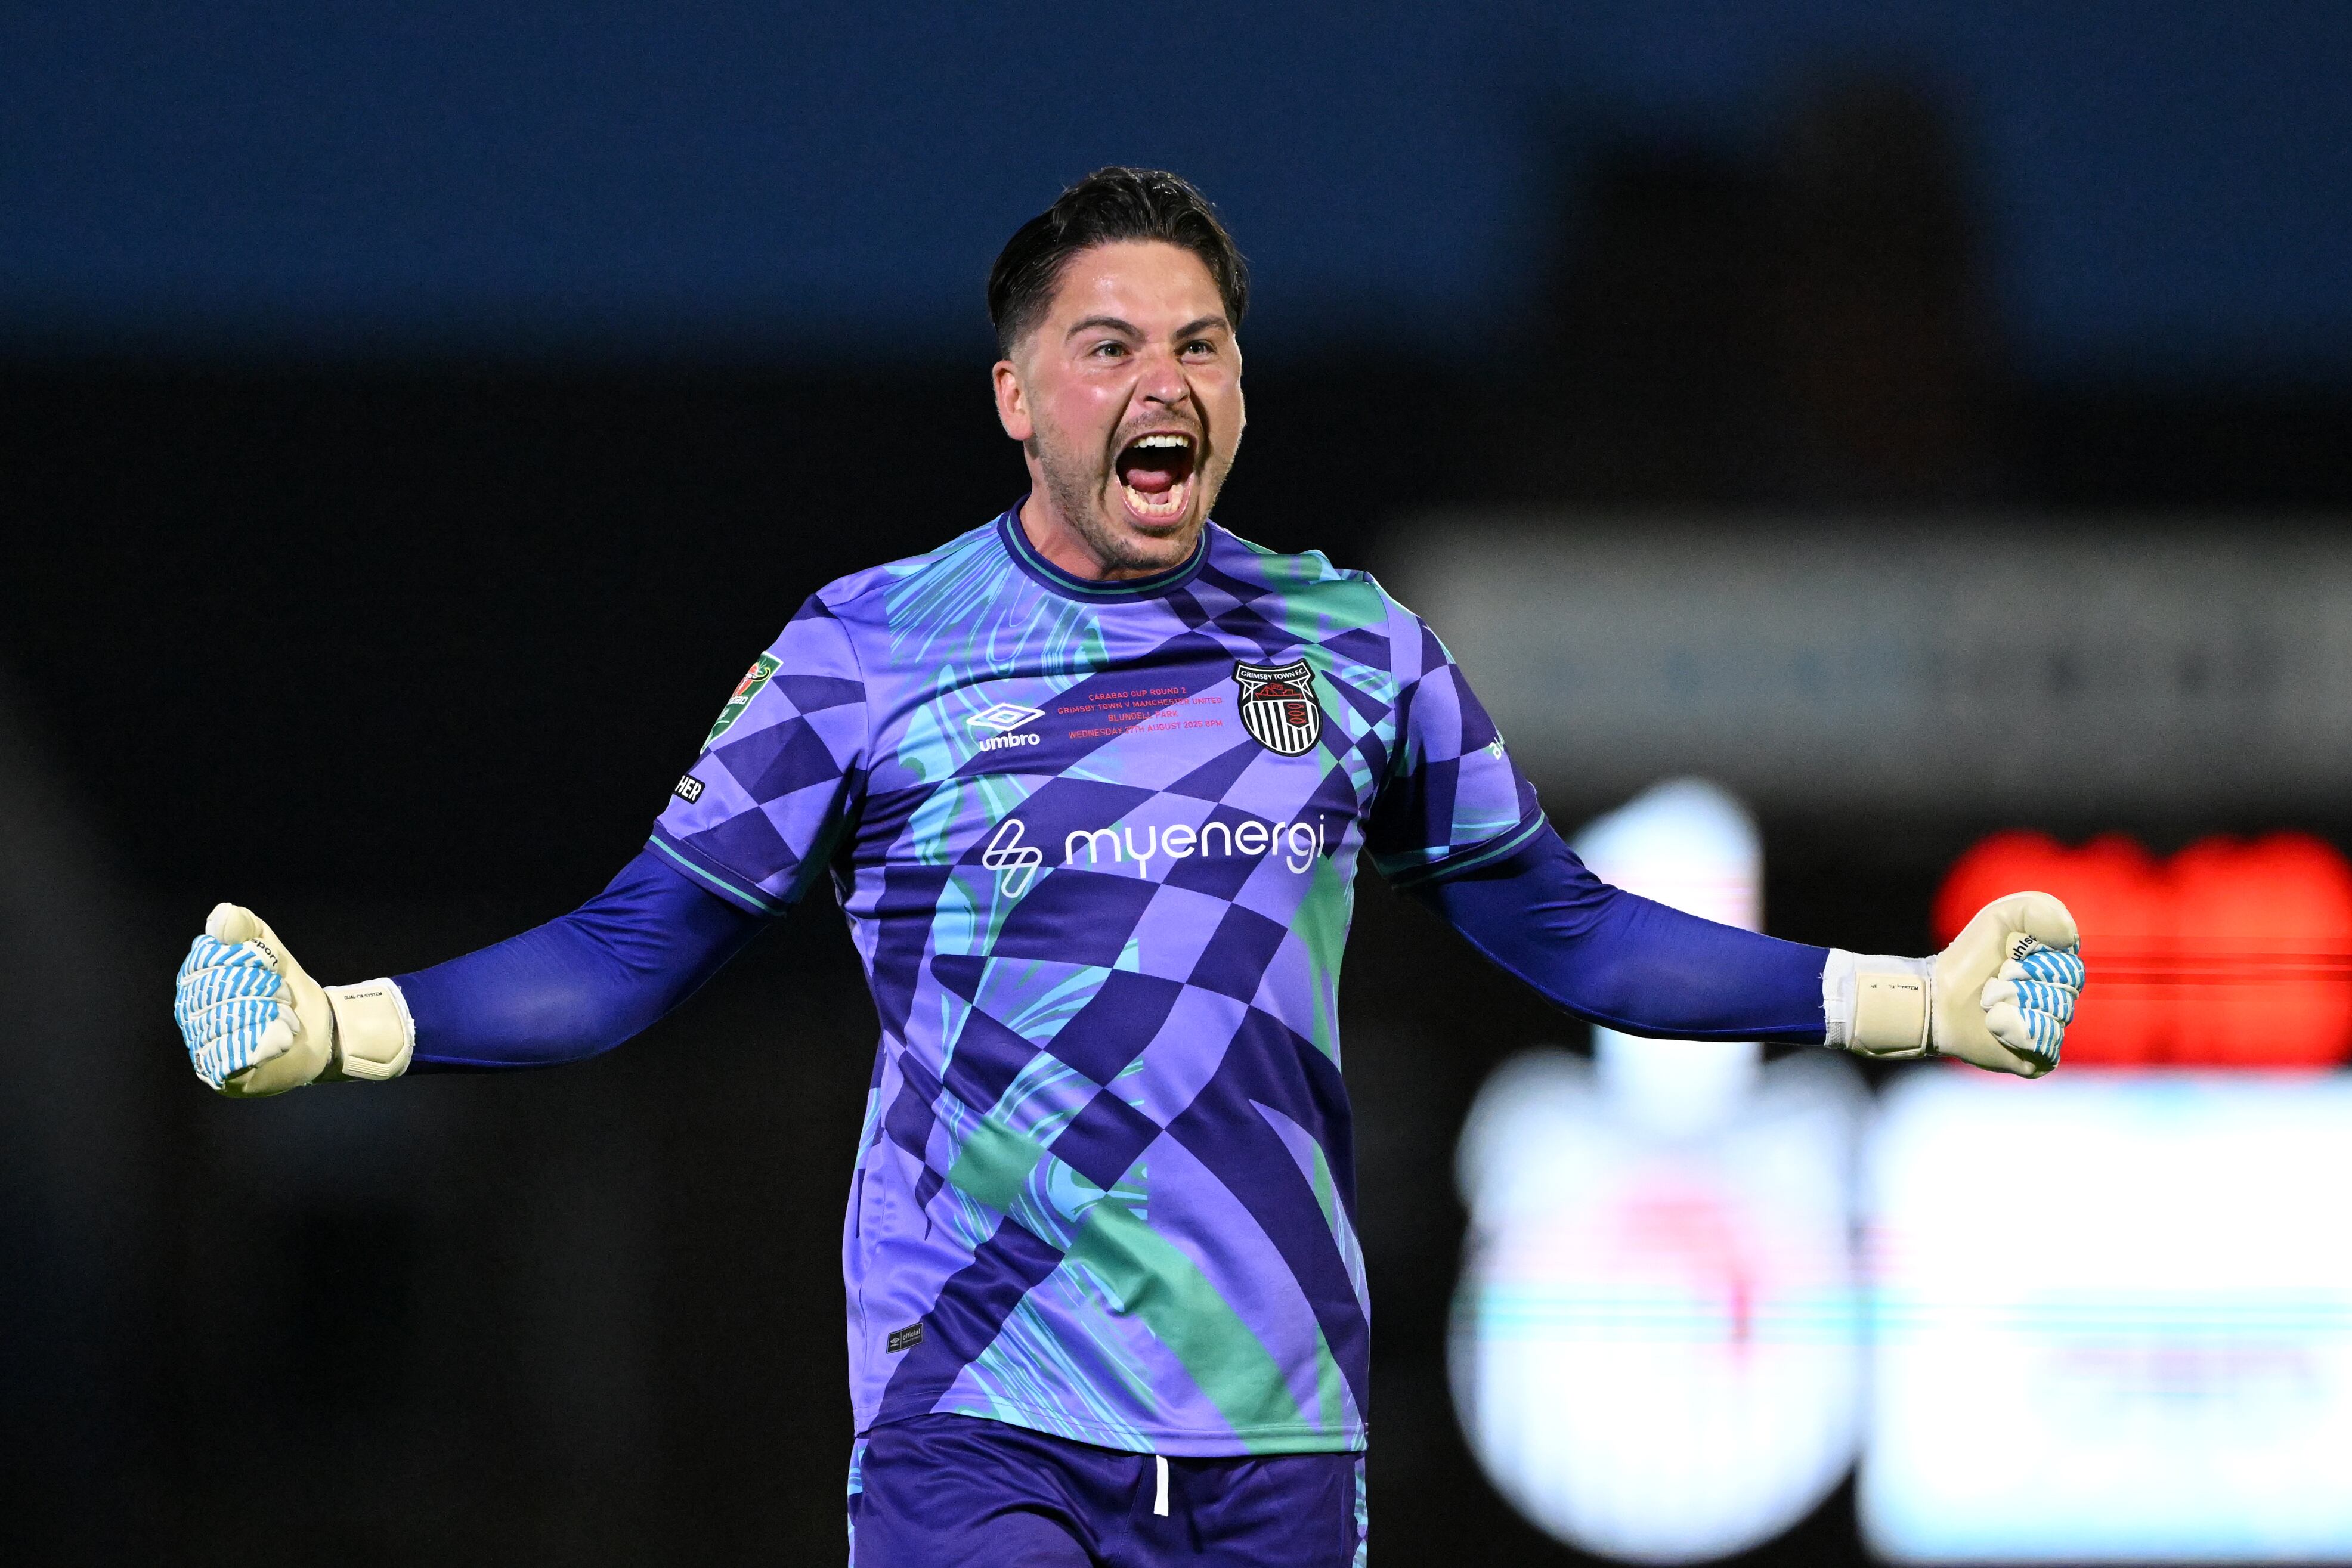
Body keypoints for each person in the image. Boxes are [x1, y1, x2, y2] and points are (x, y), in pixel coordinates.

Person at [170, 167, 2085, 1568]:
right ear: (1021, 398)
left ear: (1235, 393)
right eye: (1108, 346)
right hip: (979, 1424)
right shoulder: (870, 646)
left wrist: (1907, 1001)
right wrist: (338, 1029)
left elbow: (1570, 936)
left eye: (1199, 344)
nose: (1160, 379)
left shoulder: (1353, 648)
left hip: (1276, 1445)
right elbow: (629, 951)